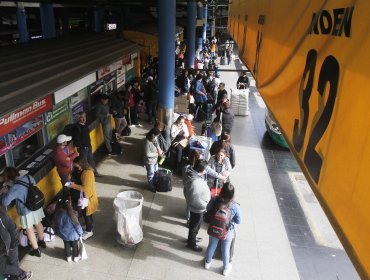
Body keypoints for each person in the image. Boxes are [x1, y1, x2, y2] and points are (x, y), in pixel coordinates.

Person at [1, 167, 45, 257]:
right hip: (35, 205)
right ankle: (41, 241)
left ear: (9, 178)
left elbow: (5, 202)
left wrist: (6, 192)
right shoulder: (28, 177)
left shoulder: (14, 188)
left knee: (29, 229)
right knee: (38, 223)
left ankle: (36, 250)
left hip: (26, 210)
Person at [204, 182, 241, 276]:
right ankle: (225, 269)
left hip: (214, 227)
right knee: (226, 249)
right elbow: (238, 221)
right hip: (227, 231)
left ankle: (207, 263)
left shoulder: (215, 199)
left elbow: (208, 209)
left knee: (211, 245)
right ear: (232, 194)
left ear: (222, 190)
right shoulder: (235, 206)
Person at [68, 156, 99, 240]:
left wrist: (73, 185)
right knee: (87, 215)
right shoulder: (79, 170)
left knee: (87, 215)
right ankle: (89, 225)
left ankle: (89, 231)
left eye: (77, 165)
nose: (76, 167)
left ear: (82, 165)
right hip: (80, 197)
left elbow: (86, 188)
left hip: (86, 199)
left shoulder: (88, 173)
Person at [183, 159, 211, 252]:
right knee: (195, 226)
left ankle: (192, 238)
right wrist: (204, 206)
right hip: (197, 208)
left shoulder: (190, 172)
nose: (206, 171)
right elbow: (194, 199)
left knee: (193, 224)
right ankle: (192, 244)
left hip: (195, 206)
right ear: (201, 170)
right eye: (205, 169)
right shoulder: (195, 182)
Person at [0, 206, 32, 280]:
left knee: (10, 263)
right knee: (8, 263)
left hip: (10, 244)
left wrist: (11, 247)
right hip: (5, 246)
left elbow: (12, 229)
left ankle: (22, 274)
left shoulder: (2, 217)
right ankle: (19, 275)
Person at [73, 111, 102, 177]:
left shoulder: (84, 125)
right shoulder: (77, 127)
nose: (84, 118)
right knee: (84, 162)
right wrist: (83, 147)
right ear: (78, 118)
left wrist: (88, 145)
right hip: (83, 148)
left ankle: (95, 172)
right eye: (81, 117)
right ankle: (87, 176)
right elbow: (77, 141)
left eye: (85, 116)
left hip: (88, 146)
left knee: (91, 159)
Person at [143, 128, 163, 193]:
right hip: (150, 162)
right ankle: (151, 186)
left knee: (155, 172)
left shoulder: (154, 139)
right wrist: (157, 154)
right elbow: (147, 154)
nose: (157, 138)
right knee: (151, 174)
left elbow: (157, 145)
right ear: (153, 135)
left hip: (155, 160)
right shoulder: (147, 142)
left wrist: (160, 151)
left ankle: (154, 184)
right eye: (156, 136)